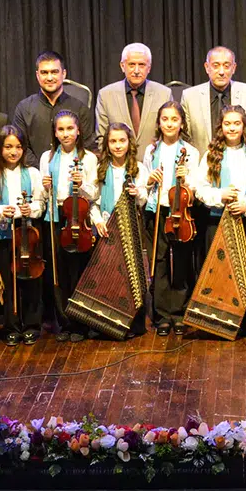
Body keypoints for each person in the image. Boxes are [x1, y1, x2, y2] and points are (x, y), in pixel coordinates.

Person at [195, 105, 246, 333]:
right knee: (217, 270)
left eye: (237, 123)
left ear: (244, 126)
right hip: (216, 221)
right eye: (227, 123)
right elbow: (200, 188)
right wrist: (220, 196)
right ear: (221, 127)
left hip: (243, 220)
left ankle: (244, 320)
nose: (232, 128)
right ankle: (217, 318)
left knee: (243, 270)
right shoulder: (211, 155)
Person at [140, 102, 203, 336]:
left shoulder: (191, 152)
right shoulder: (151, 151)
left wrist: (185, 180)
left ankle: (179, 313)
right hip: (157, 210)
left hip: (181, 212)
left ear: (182, 123)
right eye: (165, 119)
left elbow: (195, 187)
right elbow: (145, 183)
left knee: (182, 262)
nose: (169, 124)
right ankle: (162, 315)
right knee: (160, 261)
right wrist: (150, 180)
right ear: (159, 123)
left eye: (174, 119)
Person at [0, 125, 47, 346]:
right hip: (4, 234)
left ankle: (31, 325)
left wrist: (32, 209)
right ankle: (11, 326)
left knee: (31, 279)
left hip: (28, 233)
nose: (13, 152)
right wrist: (2, 211)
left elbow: (40, 203)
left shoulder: (33, 173)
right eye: (8, 147)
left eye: (18, 147)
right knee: (8, 281)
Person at [39, 110, 98, 341]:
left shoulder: (88, 158)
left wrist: (81, 184)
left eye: (70, 128)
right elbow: (43, 195)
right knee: (59, 271)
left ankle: (81, 324)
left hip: (79, 217)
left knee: (79, 271)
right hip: (56, 218)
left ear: (78, 131)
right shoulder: (47, 157)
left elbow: (94, 193)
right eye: (61, 129)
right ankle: (64, 323)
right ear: (55, 132)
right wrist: (45, 187)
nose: (65, 134)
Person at [91, 123, 147, 338]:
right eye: (113, 141)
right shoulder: (100, 169)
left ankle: (133, 323)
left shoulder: (138, 168)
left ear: (129, 143)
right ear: (107, 144)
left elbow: (144, 199)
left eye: (122, 141)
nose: (117, 145)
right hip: (107, 227)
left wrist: (137, 193)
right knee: (108, 276)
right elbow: (93, 201)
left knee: (130, 276)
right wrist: (97, 220)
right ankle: (107, 323)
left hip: (130, 227)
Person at [12, 50, 95, 167]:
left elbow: (86, 146)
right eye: (44, 72)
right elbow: (20, 147)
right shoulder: (24, 108)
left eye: (54, 72)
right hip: (34, 175)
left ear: (64, 74)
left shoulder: (80, 109)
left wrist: (66, 171)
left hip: (73, 174)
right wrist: (42, 171)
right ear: (37, 75)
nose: (50, 77)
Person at [180, 46, 246, 154]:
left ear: (233, 68)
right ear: (207, 67)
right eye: (216, 66)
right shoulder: (190, 96)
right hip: (202, 161)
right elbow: (185, 139)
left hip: (240, 161)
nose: (221, 72)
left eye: (226, 66)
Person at [94, 43, 170, 152]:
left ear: (149, 68)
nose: (136, 71)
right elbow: (102, 138)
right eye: (132, 64)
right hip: (119, 161)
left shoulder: (164, 94)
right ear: (122, 66)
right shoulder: (106, 95)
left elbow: (170, 135)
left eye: (142, 65)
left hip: (155, 160)